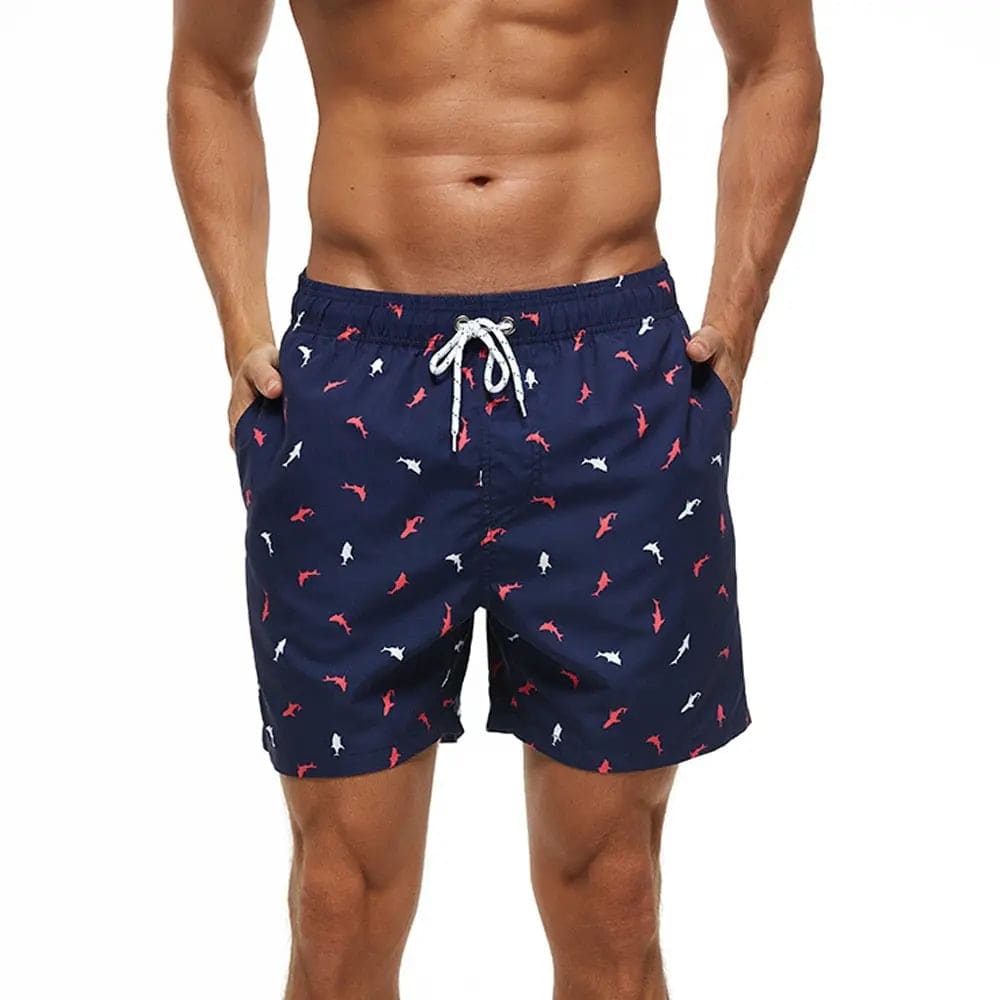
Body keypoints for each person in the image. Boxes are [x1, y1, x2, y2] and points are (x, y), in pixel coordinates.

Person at [168, 0, 821, 996]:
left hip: (608, 377)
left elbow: (775, 61)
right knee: (339, 904)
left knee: (615, 893)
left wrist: (732, 331)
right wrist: (240, 329)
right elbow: (210, 72)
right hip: (355, 380)